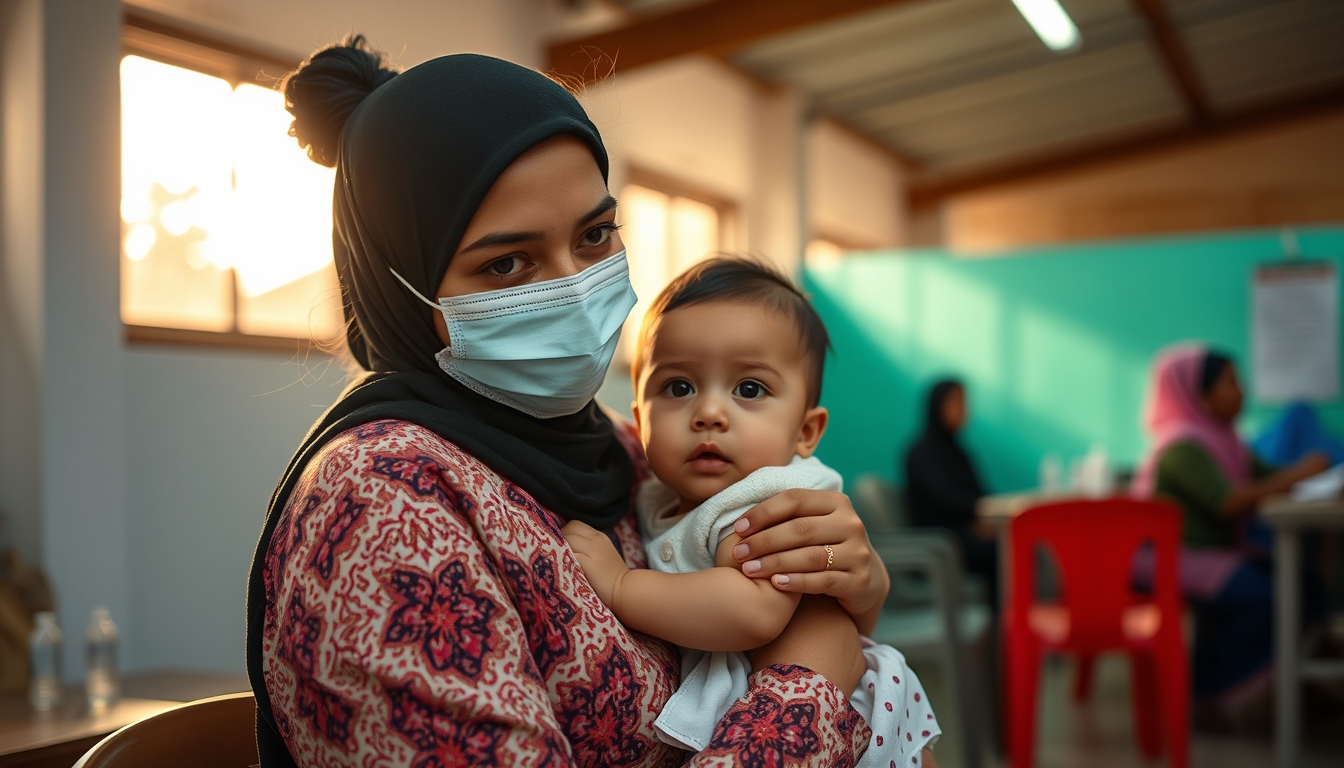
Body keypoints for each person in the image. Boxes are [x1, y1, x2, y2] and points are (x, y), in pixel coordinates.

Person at [246, 37, 894, 767]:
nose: (574, 290)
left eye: (594, 236)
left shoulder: (620, 447)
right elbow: (801, 668)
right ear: (399, 288)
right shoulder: (385, 504)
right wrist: (808, 685)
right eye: (507, 262)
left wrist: (846, 589)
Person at [562, 259, 940, 768]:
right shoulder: (655, 493)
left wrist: (619, 587)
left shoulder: (772, 498)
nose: (709, 413)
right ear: (639, 420)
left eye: (749, 389)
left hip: (858, 728)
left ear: (805, 433)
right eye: (678, 387)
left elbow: (754, 608)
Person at [1132, 344, 1330, 724]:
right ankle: (1211, 692)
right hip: (1170, 558)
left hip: (1212, 554)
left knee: (1306, 582)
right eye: (1231, 383)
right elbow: (1227, 502)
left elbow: (1268, 478)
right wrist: (1300, 474)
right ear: (1198, 393)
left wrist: (1307, 477)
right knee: (1269, 595)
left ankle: (1303, 688)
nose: (1242, 392)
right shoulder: (1179, 446)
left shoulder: (1227, 442)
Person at [903, 379, 998, 607]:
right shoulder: (921, 452)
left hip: (962, 535)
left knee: (1007, 544)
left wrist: (986, 518)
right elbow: (941, 500)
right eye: (956, 402)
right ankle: (1001, 633)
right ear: (938, 405)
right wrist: (974, 519)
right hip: (941, 543)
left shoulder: (960, 453)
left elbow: (980, 495)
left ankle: (1006, 628)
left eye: (965, 403)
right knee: (996, 551)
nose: (963, 410)